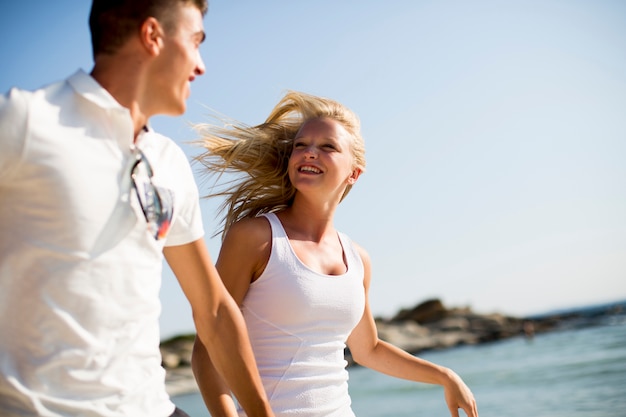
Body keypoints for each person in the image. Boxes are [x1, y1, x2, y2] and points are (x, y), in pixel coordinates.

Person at [0, 1, 274, 416]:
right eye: (195, 41)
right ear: (153, 36)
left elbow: (215, 310)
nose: (200, 66)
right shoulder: (27, 121)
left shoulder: (167, 160)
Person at [192, 91, 479, 416]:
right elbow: (207, 347)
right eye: (301, 145)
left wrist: (445, 376)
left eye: (327, 147)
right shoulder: (255, 238)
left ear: (354, 172)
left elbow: (367, 349)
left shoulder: (357, 259)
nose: (309, 153)